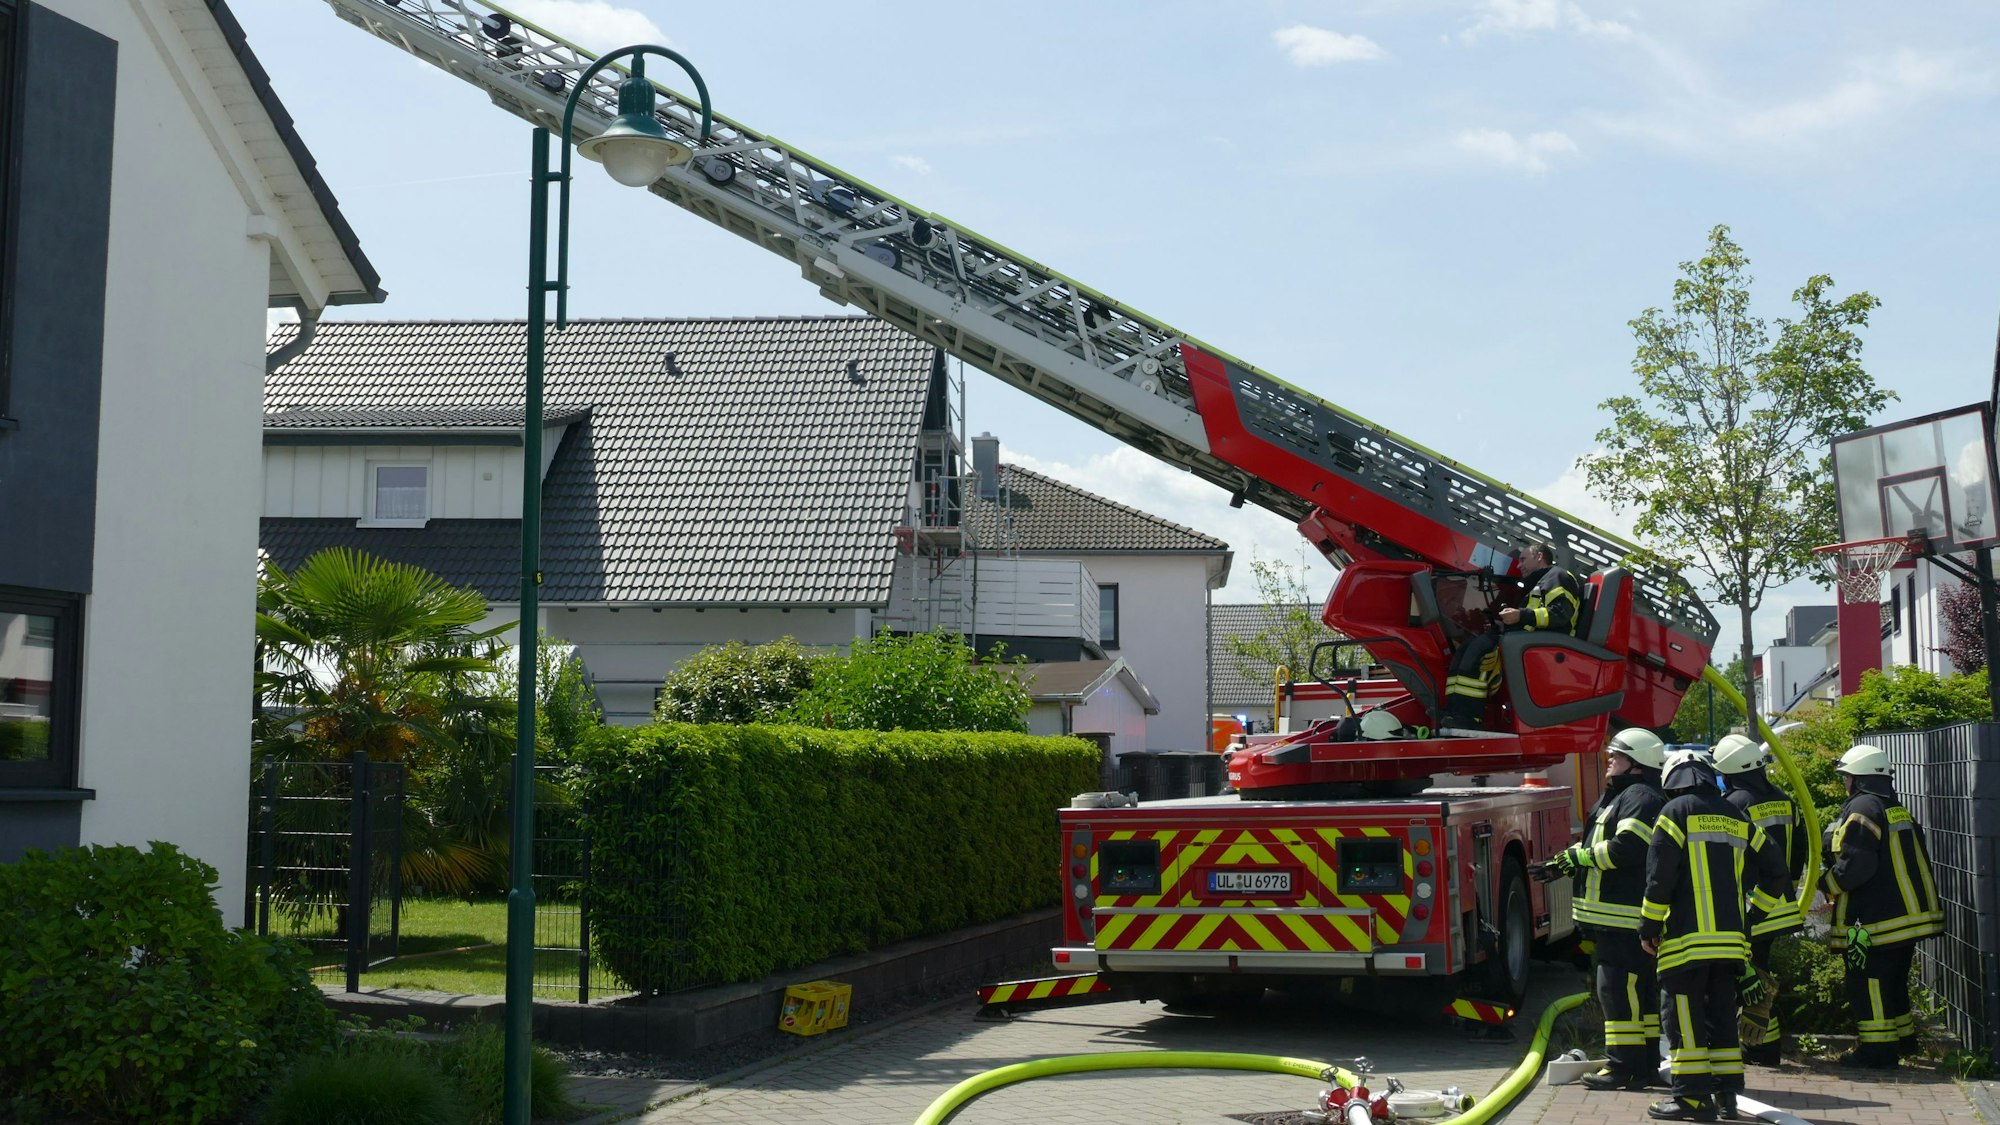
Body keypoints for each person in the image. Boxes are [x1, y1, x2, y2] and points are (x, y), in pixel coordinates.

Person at [1639, 747, 1790, 1122]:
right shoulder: (1736, 816)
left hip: (1685, 943)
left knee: (1683, 1018)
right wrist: (1752, 917)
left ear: (1672, 782)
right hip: (1731, 944)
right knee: (1721, 1016)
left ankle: (1691, 1099)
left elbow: (1659, 879)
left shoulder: (1673, 813)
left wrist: (1650, 926)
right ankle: (1726, 1098)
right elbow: (1777, 871)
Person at [1534, 727, 1668, 1091]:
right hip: (1615, 920)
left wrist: (1577, 857)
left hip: (1622, 918)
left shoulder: (1640, 796)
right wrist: (1567, 863)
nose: (1610, 760)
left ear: (1637, 765)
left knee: (1618, 993)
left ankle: (1622, 1067)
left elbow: (1628, 848)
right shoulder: (1623, 795)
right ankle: (1643, 1066)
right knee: (1633, 995)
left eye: (1618, 755)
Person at [1819, 744, 1945, 1068]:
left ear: (1858, 778)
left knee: (1867, 981)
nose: (1844, 782)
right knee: (1893, 981)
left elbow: (1857, 866)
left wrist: (1827, 885)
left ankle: (1878, 1051)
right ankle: (1904, 1042)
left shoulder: (1861, 808)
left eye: (1846, 776)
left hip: (1873, 922)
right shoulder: (1893, 807)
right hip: (1904, 918)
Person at [1711, 734, 1806, 1068]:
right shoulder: (1785, 800)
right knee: (1759, 973)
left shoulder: (1736, 803)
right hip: (1780, 903)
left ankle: (1762, 1049)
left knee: (1752, 980)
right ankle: (1762, 1047)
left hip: (1751, 907)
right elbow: (1797, 856)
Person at [1440, 540, 1583, 730]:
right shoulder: (1539, 582)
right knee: (1466, 649)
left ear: (1539, 557)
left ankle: (1468, 718)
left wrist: (1520, 615)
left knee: (1479, 650)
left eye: (1523, 559)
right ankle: (1453, 712)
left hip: (1545, 647)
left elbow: (1560, 615)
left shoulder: (1558, 577)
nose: (1519, 565)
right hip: (1528, 643)